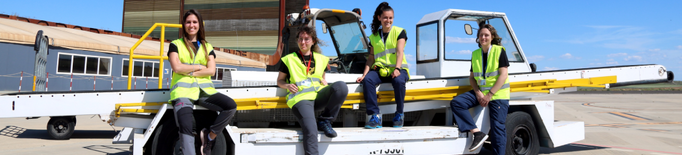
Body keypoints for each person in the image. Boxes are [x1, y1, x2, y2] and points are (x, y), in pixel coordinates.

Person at [168, 9, 237, 155]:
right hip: (183, 93)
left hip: (205, 92)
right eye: (188, 22)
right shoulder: (175, 45)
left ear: (199, 25)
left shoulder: (207, 47)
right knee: (185, 126)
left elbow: (211, 71)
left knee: (230, 106)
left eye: (194, 22)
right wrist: (199, 66)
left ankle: (209, 137)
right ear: (184, 24)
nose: (191, 25)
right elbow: (176, 67)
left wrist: (188, 70)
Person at [276, 26, 348, 155]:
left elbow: (321, 77)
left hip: (317, 96)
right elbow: (279, 81)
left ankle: (325, 120)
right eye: (300, 39)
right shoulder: (288, 59)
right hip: (300, 99)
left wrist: (323, 81)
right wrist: (287, 86)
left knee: (341, 87)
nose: (303, 42)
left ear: (313, 41)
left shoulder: (321, 59)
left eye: (306, 39)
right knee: (311, 129)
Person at [449, 23, 510, 154]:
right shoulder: (475, 54)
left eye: (486, 35)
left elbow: (503, 75)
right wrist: (478, 93)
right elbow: (472, 78)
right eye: (481, 35)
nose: (483, 37)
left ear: (492, 37)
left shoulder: (499, 51)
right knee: (457, 103)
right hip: (481, 92)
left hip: (498, 95)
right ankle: (477, 133)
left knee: (497, 129)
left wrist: (489, 95)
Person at [356, 2, 410, 129]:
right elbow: (371, 58)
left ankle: (399, 114)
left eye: (390, 18)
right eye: (385, 17)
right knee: (368, 80)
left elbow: (399, 52)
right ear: (379, 18)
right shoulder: (374, 37)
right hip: (381, 70)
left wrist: (397, 69)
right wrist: (364, 75)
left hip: (399, 69)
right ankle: (374, 116)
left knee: (398, 81)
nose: (388, 20)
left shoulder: (400, 32)